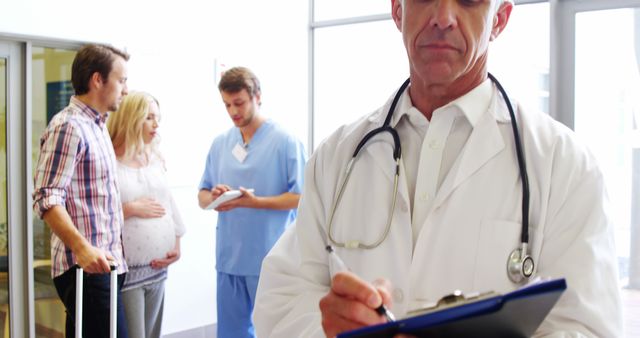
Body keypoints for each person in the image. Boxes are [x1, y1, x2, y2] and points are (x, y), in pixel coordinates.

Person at [253, 0, 622, 337]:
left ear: (500, 19)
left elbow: (587, 329)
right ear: (398, 10)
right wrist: (326, 327)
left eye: (469, 1)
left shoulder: (566, 165)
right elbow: (281, 299)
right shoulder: (337, 156)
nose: (443, 17)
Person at [197, 66, 307, 338]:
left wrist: (254, 202)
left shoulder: (285, 142)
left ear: (257, 97)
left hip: (270, 256)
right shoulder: (221, 143)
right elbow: (202, 196)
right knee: (231, 333)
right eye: (227, 105)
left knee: (275, 331)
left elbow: (302, 198)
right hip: (230, 259)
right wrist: (215, 197)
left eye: (239, 103)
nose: (233, 111)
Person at [32, 43, 130, 338]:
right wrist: (82, 248)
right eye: (121, 80)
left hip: (107, 265)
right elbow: (47, 196)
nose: (126, 89)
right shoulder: (69, 126)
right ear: (97, 79)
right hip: (86, 267)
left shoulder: (97, 126)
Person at [107, 91, 186, 338]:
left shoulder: (154, 156)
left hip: (159, 268)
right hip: (129, 271)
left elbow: (168, 202)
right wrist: (130, 209)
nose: (156, 124)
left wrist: (176, 242)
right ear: (131, 118)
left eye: (157, 118)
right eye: (149, 117)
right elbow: (100, 213)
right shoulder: (109, 159)